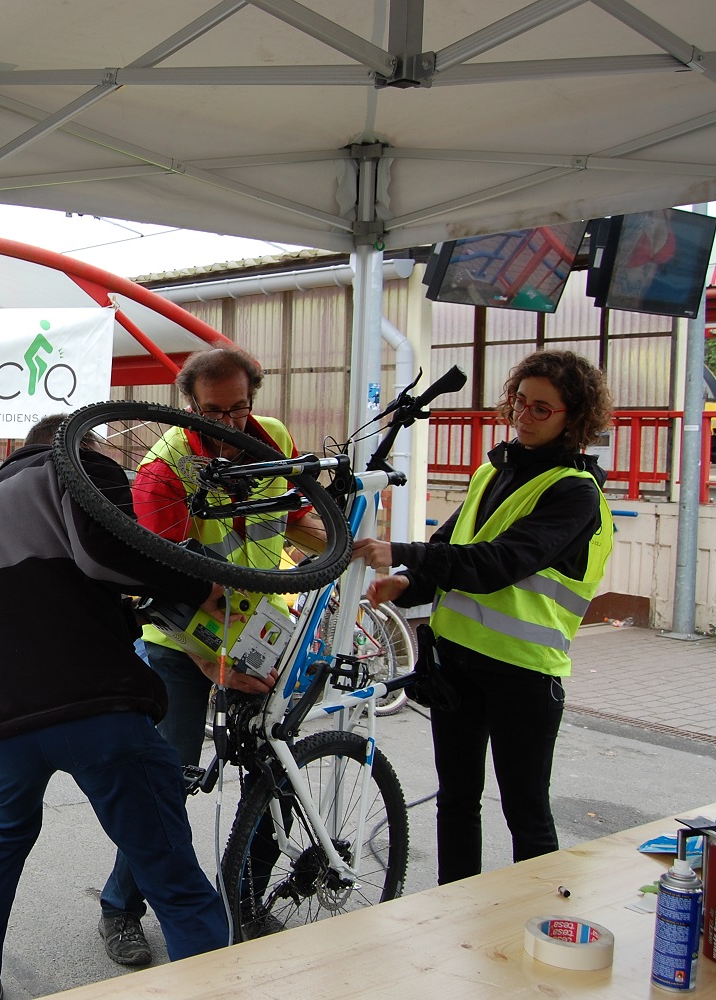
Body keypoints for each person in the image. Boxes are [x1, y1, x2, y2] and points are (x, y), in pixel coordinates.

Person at [0, 414, 271, 1000]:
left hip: (2, 720)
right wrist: (200, 584)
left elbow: (26, 602)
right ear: (77, 444)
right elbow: (108, 558)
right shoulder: (77, 466)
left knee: (1, 843)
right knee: (174, 879)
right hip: (95, 707)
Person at [97, 347, 325, 964]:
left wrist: (342, 544)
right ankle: (120, 908)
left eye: (240, 409)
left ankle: (248, 898)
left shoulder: (269, 437)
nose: (228, 427)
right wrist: (211, 666)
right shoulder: (160, 471)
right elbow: (158, 584)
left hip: (260, 633)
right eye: (212, 412)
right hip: (183, 646)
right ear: (189, 407)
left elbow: (297, 517)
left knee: (273, 770)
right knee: (164, 782)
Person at [353, 349, 614, 884]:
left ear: (575, 418)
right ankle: (455, 912)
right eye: (520, 400)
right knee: (457, 801)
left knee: (525, 812)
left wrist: (403, 553)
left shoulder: (575, 494)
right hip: (456, 662)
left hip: (523, 674)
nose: (523, 414)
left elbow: (498, 564)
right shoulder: (494, 470)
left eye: (542, 408)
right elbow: (453, 548)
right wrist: (407, 582)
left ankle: (537, 923)